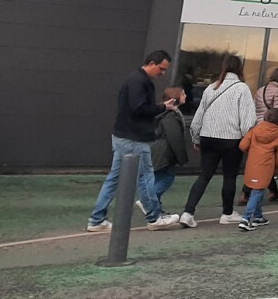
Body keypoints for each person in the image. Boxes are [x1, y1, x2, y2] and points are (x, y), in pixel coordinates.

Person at [86, 50, 181, 232]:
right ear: (151, 63)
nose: (162, 73)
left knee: (114, 179)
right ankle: (154, 217)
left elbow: (136, 108)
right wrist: (162, 107)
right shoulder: (140, 81)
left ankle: (97, 219)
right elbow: (139, 109)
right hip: (134, 138)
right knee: (145, 177)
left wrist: (160, 107)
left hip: (124, 136)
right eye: (161, 69)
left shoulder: (135, 79)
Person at [180, 54, 257, 228]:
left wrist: (196, 138)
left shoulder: (211, 87)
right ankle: (227, 213)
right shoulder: (242, 88)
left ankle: (188, 212)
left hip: (208, 137)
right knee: (229, 176)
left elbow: (198, 116)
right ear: (240, 69)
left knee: (204, 175)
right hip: (231, 139)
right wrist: (248, 140)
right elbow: (248, 121)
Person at [250, 66, 278, 203]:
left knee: (262, 161)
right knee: (269, 164)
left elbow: (255, 110)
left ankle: (274, 191)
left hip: (259, 128)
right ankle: (248, 192)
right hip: (272, 132)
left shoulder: (260, 90)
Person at [239, 109, 278, 230]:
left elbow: (243, 146)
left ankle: (258, 216)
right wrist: (276, 170)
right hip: (266, 167)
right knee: (257, 192)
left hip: (252, 164)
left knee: (257, 190)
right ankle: (246, 219)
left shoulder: (254, 130)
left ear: (264, 117)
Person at [149, 86, 190, 206]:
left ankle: (154, 208)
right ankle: (149, 202)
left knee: (158, 178)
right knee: (167, 178)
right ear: (175, 97)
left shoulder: (165, 113)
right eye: (183, 94)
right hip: (164, 153)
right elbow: (175, 137)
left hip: (159, 151)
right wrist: (181, 157)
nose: (185, 96)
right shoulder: (171, 115)